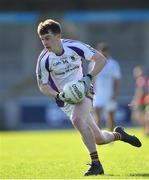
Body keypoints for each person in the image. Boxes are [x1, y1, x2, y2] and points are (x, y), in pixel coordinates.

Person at [36, 19, 142, 176]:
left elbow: (101, 59)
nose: (45, 42)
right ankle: (119, 134)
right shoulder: (44, 60)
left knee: (77, 119)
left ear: (58, 36)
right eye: (42, 39)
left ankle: (96, 164)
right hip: (65, 99)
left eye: (47, 38)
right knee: (99, 138)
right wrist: (58, 95)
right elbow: (42, 86)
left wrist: (88, 77)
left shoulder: (74, 46)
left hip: (84, 90)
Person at [93, 42, 121, 131]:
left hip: (109, 93)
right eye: (101, 52)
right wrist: (92, 92)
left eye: (105, 51)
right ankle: (98, 136)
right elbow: (92, 79)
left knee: (110, 116)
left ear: (108, 52)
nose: (103, 53)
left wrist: (115, 93)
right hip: (98, 94)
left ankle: (111, 138)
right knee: (97, 114)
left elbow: (117, 80)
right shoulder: (94, 63)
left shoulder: (114, 64)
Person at [131, 66, 149, 136]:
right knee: (145, 116)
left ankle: (146, 130)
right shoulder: (144, 79)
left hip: (143, 101)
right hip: (145, 100)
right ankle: (146, 130)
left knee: (142, 116)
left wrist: (135, 101)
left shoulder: (140, 79)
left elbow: (139, 91)